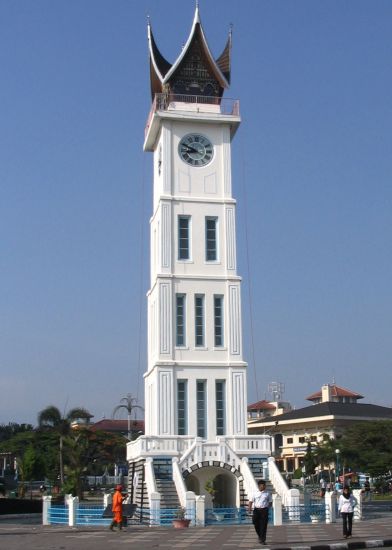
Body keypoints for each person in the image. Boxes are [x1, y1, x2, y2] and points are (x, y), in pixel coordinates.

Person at [248, 479, 272, 545]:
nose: (264, 487)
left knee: (263, 526)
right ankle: (260, 536)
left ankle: (262, 540)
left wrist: (268, 508)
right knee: (255, 523)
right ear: (259, 486)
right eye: (262, 486)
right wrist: (249, 510)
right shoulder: (254, 493)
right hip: (256, 510)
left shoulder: (267, 493)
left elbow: (270, 502)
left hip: (264, 511)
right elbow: (250, 502)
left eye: (264, 485)